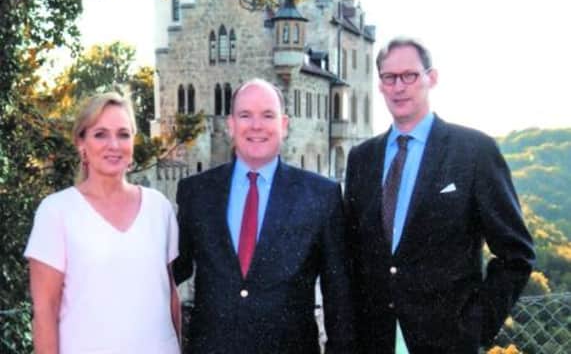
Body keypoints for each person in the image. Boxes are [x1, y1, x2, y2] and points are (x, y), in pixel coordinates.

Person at [344, 38, 535, 353]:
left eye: (409, 75)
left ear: (431, 78)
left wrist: (475, 328)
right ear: (380, 85)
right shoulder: (362, 158)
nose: (398, 87)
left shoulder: (474, 151)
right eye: (389, 77)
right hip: (374, 341)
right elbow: (351, 254)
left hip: (447, 343)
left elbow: (517, 254)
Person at [173, 78, 354, 353]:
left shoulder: (321, 196)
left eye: (268, 115)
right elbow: (171, 271)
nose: (256, 125)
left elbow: (339, 297)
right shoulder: (196, 193)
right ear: (231, 125)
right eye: (245, 115)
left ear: (284, 125)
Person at [24, 92, 181, 354]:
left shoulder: (159, 208)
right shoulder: (56, 212)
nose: (114, 145)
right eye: (100, 134)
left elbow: (170, 297)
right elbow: (45, 311)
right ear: (81, 143)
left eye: (123, 134)